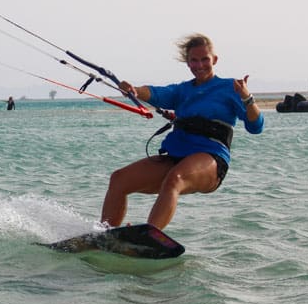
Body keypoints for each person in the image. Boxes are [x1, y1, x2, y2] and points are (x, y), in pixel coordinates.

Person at [100, 33, 264, 230]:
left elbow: (256, 127)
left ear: (215, 60)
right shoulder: (182, 90)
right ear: (187, 63)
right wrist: (134, 89)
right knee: (119, 179)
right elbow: (156, 93)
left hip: (211, 159)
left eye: (205, 59)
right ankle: (104, 235)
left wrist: (247, 98)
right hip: (176, 156)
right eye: (194, 60)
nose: (200, 65)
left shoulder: (230, 88)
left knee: (175, 179)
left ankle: (150, 236)